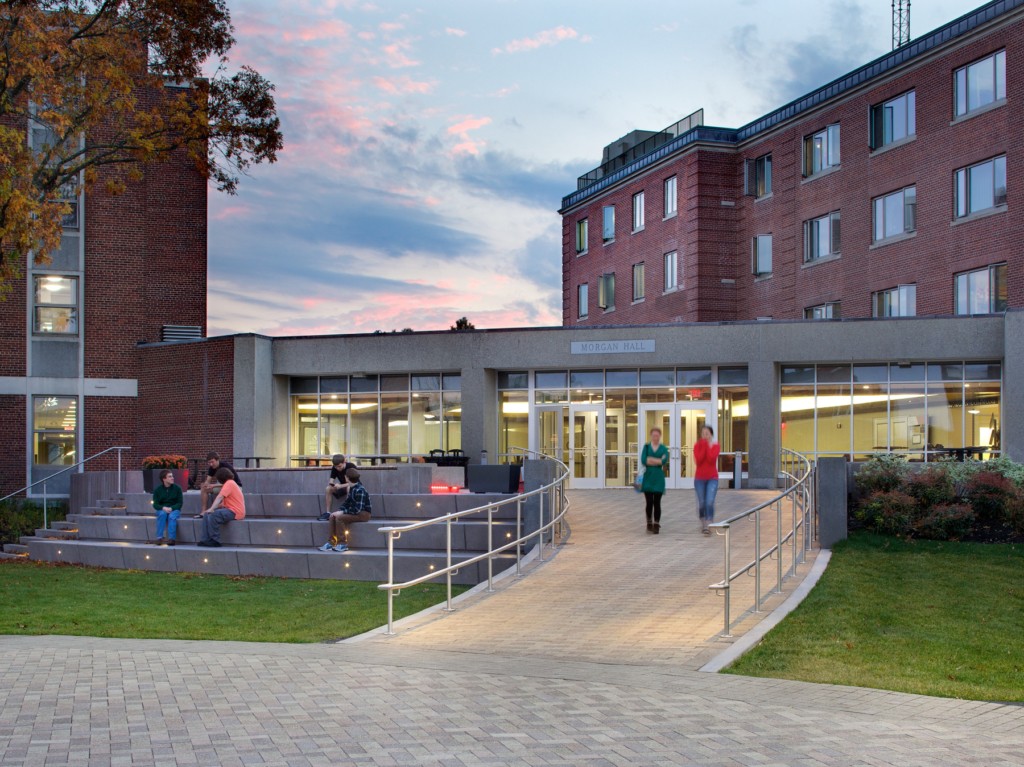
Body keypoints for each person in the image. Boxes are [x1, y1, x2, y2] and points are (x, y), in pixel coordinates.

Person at [319, 467, 371, 552]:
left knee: (339, 518)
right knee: (333, 516)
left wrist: (342, 512)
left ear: (347, 478)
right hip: (355, 512)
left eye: (345, 476)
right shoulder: (351, 488)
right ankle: (331, 542)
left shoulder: (360, 490)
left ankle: (342, 544)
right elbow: (347, 503)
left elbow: (357, 509)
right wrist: (338, 511)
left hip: (363, 514)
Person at [197, 466, 245, 547]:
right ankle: (205, 540)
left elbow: (220, 497)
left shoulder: (230, 483)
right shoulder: (229, 483)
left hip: (235, 512)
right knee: (206, 514)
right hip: (229, 509)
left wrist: (212, 509)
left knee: (213, 515)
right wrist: (209, 510)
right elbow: (223, 503)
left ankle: (215, 540)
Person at [640, 427, 670, 534]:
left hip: (658, 479)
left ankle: (656, 524)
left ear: (660, 436)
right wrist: (657, 460)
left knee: (657, 502)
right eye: (653, 435)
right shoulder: (647, 447)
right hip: (648, 477)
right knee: (649, 502)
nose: (655, 437)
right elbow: (643, 460)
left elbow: (664, 461)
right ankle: (649, 522)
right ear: (651, 436)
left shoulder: (663, 448)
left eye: (657, 436)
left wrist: (651, 459)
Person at [694, 425, 721, 535]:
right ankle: (703, 521)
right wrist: (704, 445)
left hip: (712, 478)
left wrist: (706, 446)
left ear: (711, 435)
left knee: (709, 501)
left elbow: (711, 459)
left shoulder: (716, 446)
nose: (705, 436)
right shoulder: (697, 445)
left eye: (707, 433)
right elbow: (699, 460)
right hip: (699, 478)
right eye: (703, 433)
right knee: (702, 502)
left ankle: (709, 522)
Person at [150, 469, 183, 546]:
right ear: (164, 479)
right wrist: (163, 508)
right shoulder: (158, 490)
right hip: (162, 509)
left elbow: (180, 503)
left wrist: (172, 508)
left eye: (172, 476)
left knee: (172, 517)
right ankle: (159, 538)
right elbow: (155, 504)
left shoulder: (177, 488)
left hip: (174, 509)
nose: (172, 478)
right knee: (162, 514)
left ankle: (171, 539)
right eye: (170, 477)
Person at [322, 453, 356, 520]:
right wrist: (333, 485)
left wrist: (340, 485)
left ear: (344, 462)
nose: (337, 468)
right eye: (336, 467)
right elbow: (331, 481)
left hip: (354, 487)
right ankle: (328, 512)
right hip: (342, 486)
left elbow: (354, 483)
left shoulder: (351, 466)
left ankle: (347, 510)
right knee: (328, 488)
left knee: (349, 488)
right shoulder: (334, 468)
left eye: (339, 466)